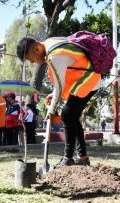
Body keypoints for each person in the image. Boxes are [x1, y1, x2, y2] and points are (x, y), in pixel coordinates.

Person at [17, 36, 101, 166]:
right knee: (72, 116)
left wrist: (51, 110)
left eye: (31, 58)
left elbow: (59, 86)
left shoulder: (54, 56)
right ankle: (82, 157)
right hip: (89, 78)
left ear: (37, 48)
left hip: (89, 80)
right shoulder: (51, 43)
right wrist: (53, 94)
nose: (33, 62)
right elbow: (60, 82)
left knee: (67, 115)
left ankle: (68, 158)